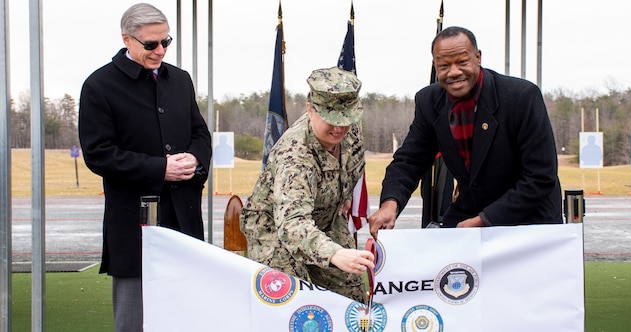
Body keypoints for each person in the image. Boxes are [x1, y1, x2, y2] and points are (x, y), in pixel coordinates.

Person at [78, 3, 212, 331]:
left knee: (185, 316)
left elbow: (200, 133)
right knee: (134, 320)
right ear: (127, 39)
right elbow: (98, 154)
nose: (160, 51)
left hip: (184, 220)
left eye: (166, 42)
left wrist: (195, 158)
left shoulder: (180, 80)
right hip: (133, 226)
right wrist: (158, 168)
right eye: (151, 44)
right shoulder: (99, 86)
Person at [369, 26, 562, 238]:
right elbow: (409, 161)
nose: (453, 72)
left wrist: (486, 220)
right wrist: (390, 203)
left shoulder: (522, 97)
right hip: (470, 213)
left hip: (529, 218)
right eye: (444, 65)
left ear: (478, 57)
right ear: (435, 65)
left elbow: (541, 177)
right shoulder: (428, 102)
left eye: (462, 62)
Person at [241, 67, 375, 303]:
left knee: (351, 296)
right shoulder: (295, 154)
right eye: (331, 120)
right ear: (310, 109)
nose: (339, 128)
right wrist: (335, 253)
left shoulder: (350, 130)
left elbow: (351, 166)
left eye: (346, 119)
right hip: (276, 231)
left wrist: (340, 195)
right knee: (294, 301)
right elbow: (292, 224)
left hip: (325, 220)